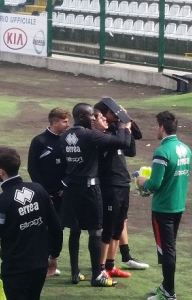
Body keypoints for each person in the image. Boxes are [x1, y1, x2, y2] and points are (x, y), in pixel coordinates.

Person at [0, 147, 63, 300]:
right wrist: (53, 255)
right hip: (39, 266)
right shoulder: (38, 189)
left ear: (1, 171)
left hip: (15, 270)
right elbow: (56, 226)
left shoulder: (0, 203)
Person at [60, 103, 131, 287]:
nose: (94, 118)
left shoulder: (64, 135)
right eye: (91, 116)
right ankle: (97, 275)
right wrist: (124, 127)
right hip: (90, 189)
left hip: (71, 188)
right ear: (82, 116)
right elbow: (122, 142)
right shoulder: (90, 135)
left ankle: (75, 273)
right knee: (95, 231)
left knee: (74, 231)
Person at [137, 111, 192, 300]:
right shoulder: (186, 149)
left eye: (156, 125)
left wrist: (142, 180)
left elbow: (154, 184)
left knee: (166, 250)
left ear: (162, 127)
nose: (155, 129)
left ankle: (169, 292)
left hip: (163, 208)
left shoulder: (162, 151)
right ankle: (165, 285)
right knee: (170, 247)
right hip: (178, 205)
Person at [94, 101, 149, 272]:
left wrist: (125, 118)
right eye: (113, 112)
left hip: (122, 183)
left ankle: (111, 265)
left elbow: (133, 145)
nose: (116, 114)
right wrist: (122, 126)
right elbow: (123, 142)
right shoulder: (104, 135)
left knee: (119, 225)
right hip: (109, 185)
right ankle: (102, 267)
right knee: (109, 228)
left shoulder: (117, 130)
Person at [28, 107, 70, 276]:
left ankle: (53, 258)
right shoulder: (39, 141)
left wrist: (64, 186)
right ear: (55, 122)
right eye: (65, 121)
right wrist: (43, 193)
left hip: (62, 194)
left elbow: (72, 166)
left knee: (58, 228)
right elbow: (33, 169)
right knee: (42, 229)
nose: (68, 125)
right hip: (44, 196)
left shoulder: (67, 141)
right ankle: (41, 261)